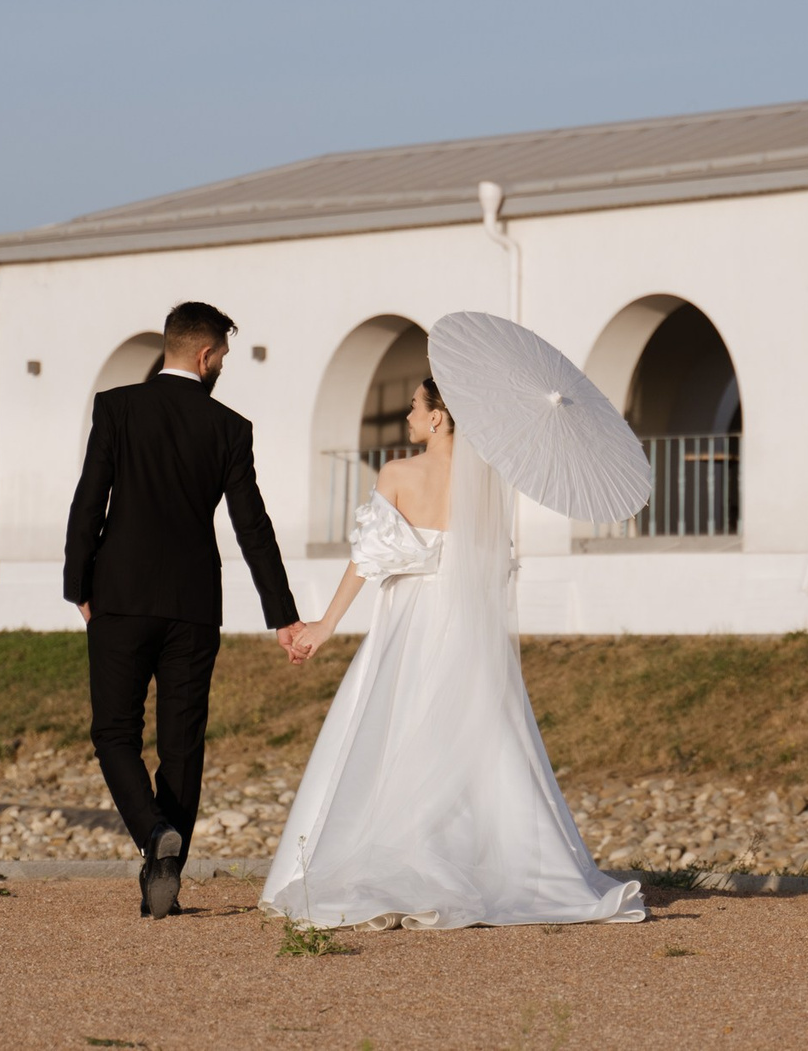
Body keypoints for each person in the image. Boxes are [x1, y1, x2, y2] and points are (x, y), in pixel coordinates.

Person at [263, 376, 643, 928]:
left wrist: (325, 625)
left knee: (394, 732)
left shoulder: (398, 473)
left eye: (415, 406)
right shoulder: (489, 482)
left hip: (409, 621)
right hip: (465, 623)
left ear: (439, 417)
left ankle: (398, 867)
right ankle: (477, 865)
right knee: (474, 737)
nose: (408, 416)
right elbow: (491, 565)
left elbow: (368, 561)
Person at [64, 300, 301, 919]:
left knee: (114, 732)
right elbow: (254, 527)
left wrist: (78, 585)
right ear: (205, 354)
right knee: (183, 745)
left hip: (118, 597)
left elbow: (89, 500)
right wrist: (283, 616)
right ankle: (164, 868)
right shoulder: (230, 427)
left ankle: (150, 833)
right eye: (223, 354)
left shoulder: (117, 408)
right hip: (195, 605)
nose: (222, 364)